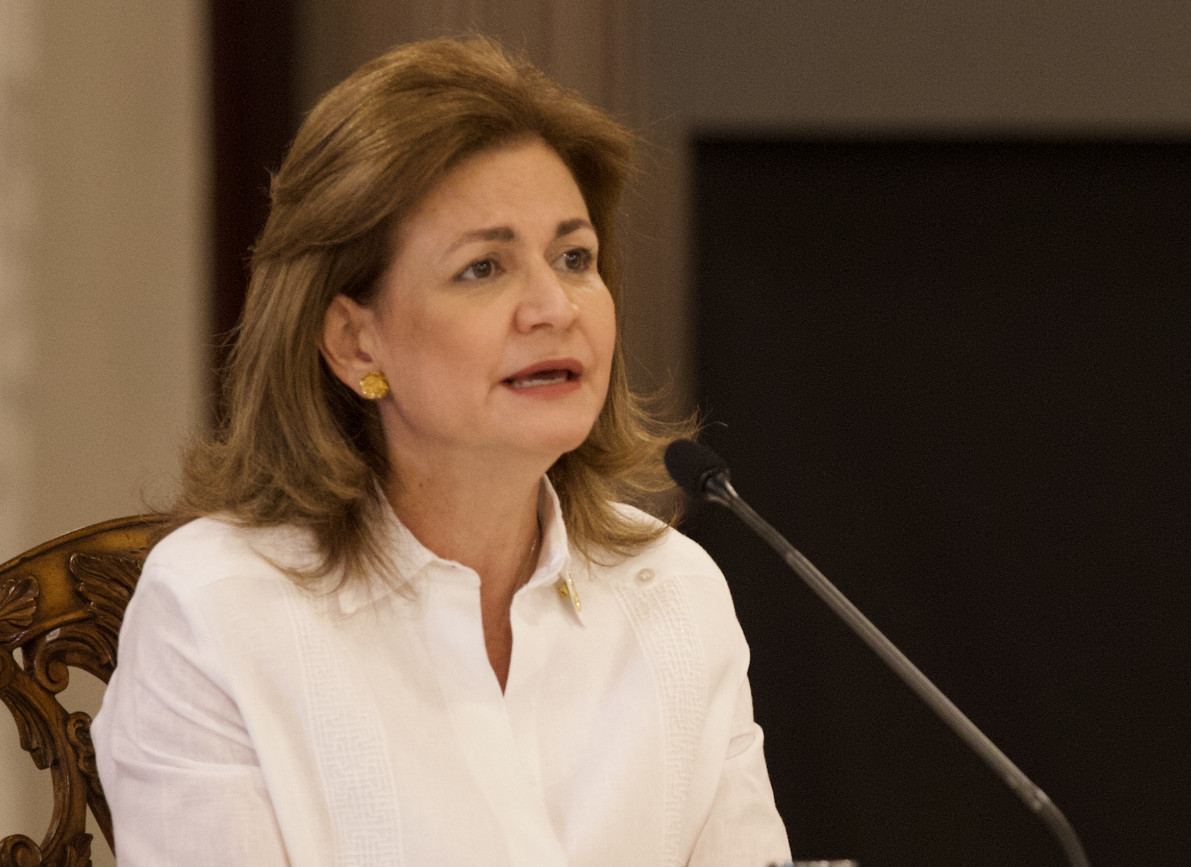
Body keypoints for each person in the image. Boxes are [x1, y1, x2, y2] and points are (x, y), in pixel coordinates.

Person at [91, 36, 790, 867]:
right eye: (483, 268)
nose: (554, 307)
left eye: (574, 258)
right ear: (354, 341)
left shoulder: (673, 592)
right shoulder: (217, 609)